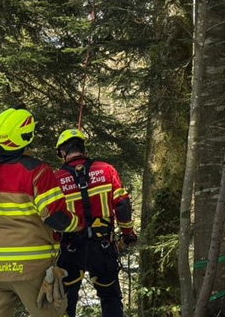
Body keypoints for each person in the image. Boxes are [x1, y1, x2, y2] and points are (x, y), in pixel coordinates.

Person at [0, 108, 82, 317]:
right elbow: (56, 218)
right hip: (33, 269)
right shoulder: (38, 171)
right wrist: (79, 223)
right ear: (27, 137)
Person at [53, 128, 137, 317]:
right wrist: (127, 234)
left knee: (66, 301)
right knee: (110, 297)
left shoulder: (56, 179)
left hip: (70, 249)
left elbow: (52, 216)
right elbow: (122, 204)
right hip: (102, 247)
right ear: (82, 147)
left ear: (62, 152)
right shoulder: (106, 170)